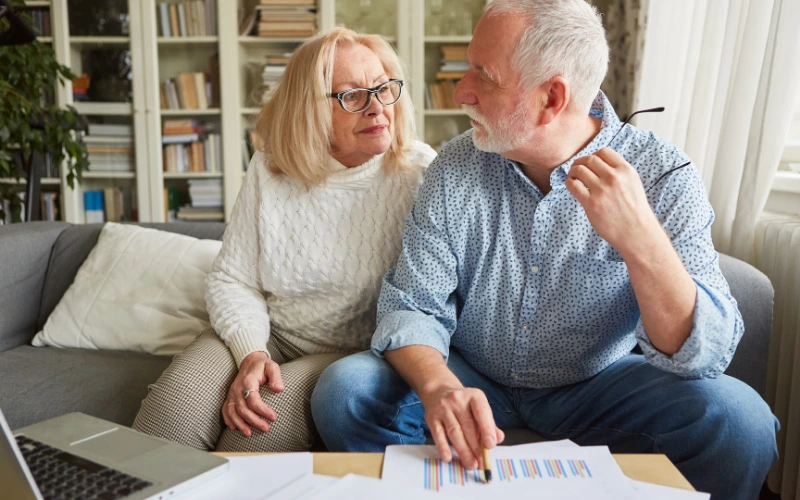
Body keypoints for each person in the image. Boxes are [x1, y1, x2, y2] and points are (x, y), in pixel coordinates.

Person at [310, 1, 779, 498]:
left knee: (741, 424)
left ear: (551, 98)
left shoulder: (663, 174)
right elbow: (412, 305)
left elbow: (704, 355)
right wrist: (439, 387)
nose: (461, 91)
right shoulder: (455, 166)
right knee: (346, 393)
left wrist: (642, 241)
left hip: (601, 384)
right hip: (472, 375)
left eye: (483, 76)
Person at [132, 27, 436, 453]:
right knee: (172, 414)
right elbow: (234, 279)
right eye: (352, 95)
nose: (377, 107)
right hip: (271, 334)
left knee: (252, 433)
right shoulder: (270, 167)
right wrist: (251, 353)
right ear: (310, 109)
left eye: (384, 88)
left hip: (353, 355)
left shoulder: (420, 173)